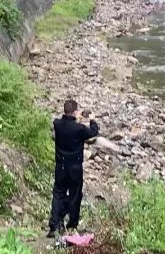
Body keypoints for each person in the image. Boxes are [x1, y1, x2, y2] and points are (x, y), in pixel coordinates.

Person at [47, 99, 99, 237]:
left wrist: (76, 116)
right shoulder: (79, 129)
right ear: (75, 112)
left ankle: (54, 225)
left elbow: (63, 123)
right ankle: (72, 224)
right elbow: (93, 132)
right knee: (75, 195)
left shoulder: (57, 124)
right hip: (75, 167)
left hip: (61, 166)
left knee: (58, 193)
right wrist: (92, 120)